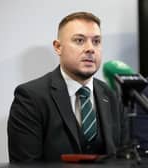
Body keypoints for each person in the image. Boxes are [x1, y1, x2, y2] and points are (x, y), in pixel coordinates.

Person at [7, 11, 128, 162]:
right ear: (58, 47)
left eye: (96, 41)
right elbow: (26, 164)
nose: (90, 49)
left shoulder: (112, 95)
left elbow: (124, 159)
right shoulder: (30, 97)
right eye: (79, 40)